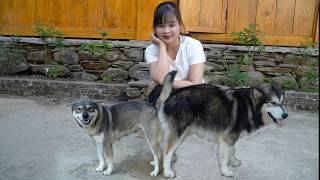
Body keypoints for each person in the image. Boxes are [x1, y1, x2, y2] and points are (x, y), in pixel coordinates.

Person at [145, 1, 206, 105]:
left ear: (179, 26)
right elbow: (160, 77)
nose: (166, 31)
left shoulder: (193, 45)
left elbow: (195, 84)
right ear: (155, 28)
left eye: (172, 25)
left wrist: (162, 82)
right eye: (161, 26)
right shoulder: (151, 50)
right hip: (165, 93)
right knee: (158, 93)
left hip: (191, 93)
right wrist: (162, 46)